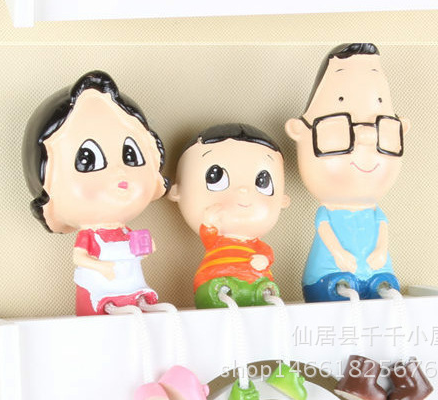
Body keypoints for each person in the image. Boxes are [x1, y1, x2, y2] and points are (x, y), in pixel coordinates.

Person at [22, 70, 169, 316]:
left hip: (130, 285)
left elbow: (141, 251)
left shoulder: (125, 231)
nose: (119, 172)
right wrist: (102, 268)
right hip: (101, 287)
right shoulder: (89, 236)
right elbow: (79, 258)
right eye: (88, 160)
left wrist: (145, 246)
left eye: (130, 155)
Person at [285, 43, 411, 303]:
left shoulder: (375, 212)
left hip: (377, 269)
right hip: (330, 272)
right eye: (343, 128)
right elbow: (327, 234)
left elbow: (382, 233)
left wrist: (380, 252)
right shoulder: (327, 212)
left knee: (385, 292)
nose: (366, 137)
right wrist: (339, 255)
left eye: (379, 129)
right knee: (336, 293)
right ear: (299, 131)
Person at [168, 123, 290, 309]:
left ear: (283, 199)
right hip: (216, 277)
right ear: (177, 191)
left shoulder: (257, 244)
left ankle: (262, 292)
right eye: (216, 177)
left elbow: (267, 253)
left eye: (262, 182)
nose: (243, 190)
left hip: (256, 279)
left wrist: (264, 260)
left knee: (264, 294)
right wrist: (209, 222)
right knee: (215, 291)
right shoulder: (216, 240)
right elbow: (209, 238)